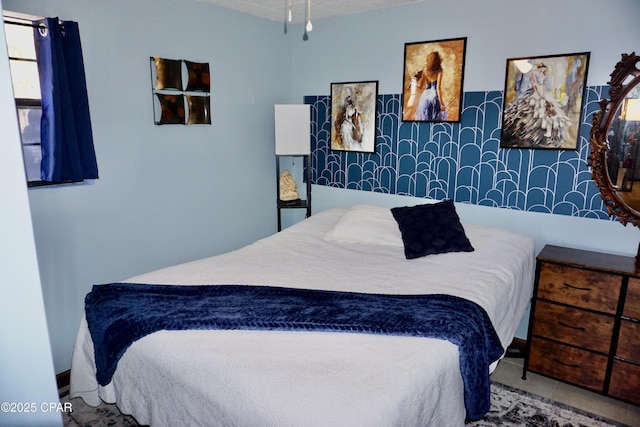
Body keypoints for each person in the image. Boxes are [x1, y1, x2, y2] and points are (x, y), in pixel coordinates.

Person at [410, 51, 446, 121]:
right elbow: (438, 88)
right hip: (434, 96)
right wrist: (441, 104)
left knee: (424, 115)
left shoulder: (425, 69)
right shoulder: (439, 70)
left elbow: (420, 85)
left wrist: (414, 84)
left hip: (425, 96)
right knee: (435, 117)